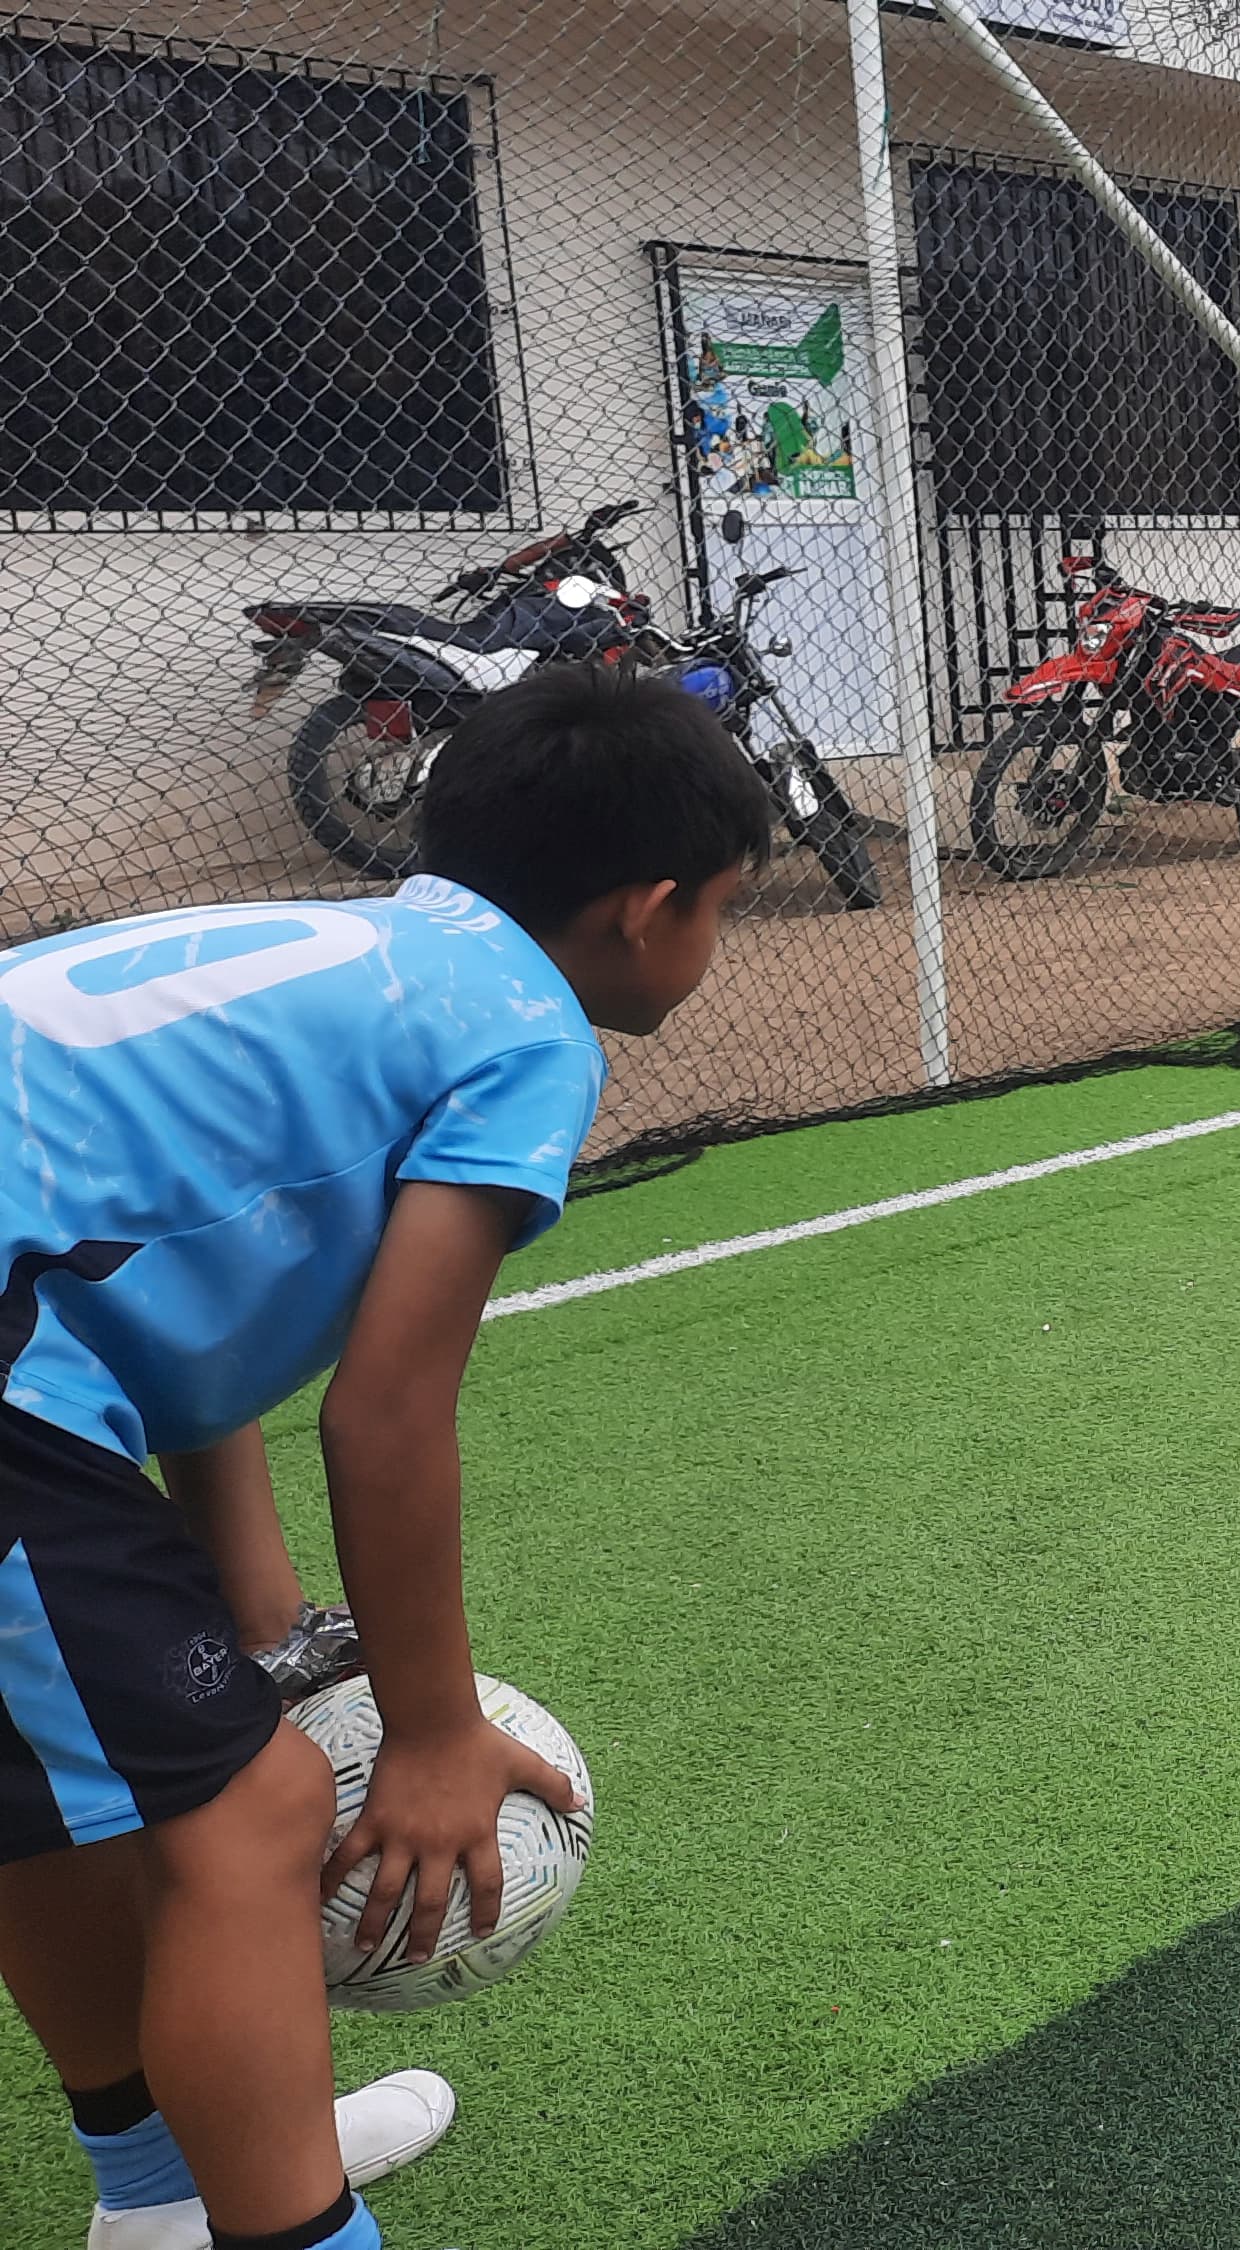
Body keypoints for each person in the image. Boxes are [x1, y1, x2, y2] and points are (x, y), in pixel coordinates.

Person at [0, 664, 769, 2250]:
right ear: (648, 910)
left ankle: (159, 2191)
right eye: (725, 910)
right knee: (255, 1811)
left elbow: (185, 1309)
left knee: (59, 1802)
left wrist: (261, 1615)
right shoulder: (524, 1029)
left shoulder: (370, 954)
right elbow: (387, 1411)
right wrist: (428, 1730)